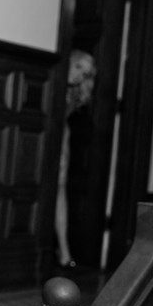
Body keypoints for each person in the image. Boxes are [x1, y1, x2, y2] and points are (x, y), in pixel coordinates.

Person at [55, 49, 97, 268]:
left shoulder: (74, 93)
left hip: (62, 137)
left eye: (86, 73)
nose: (80, 75)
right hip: (47, 135)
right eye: (78, 67)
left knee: (60, 190)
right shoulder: (53, 81)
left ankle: (64, 251)